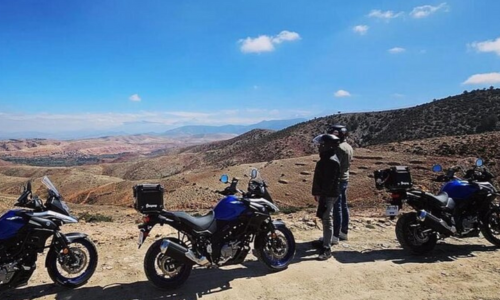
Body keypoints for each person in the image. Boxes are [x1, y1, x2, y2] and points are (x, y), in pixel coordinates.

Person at [311, 133, 341, 260]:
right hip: (325, 194)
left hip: (328, 195)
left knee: (327, 218)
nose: (319, 147)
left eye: (321, 145)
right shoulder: (327, 159)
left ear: (326, 146)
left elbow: (328, 182)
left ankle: (327, 248)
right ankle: (325, 241)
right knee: (324, 218)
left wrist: (322, 196)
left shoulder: (331, 161)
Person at [328, 124, 354, 241]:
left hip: (337, 180)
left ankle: (335, 235)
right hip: (345, 178)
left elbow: (334, 166)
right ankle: (344, 231)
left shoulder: (338, 148)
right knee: (344, 205)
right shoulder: (348, 146)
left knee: (337, 207)